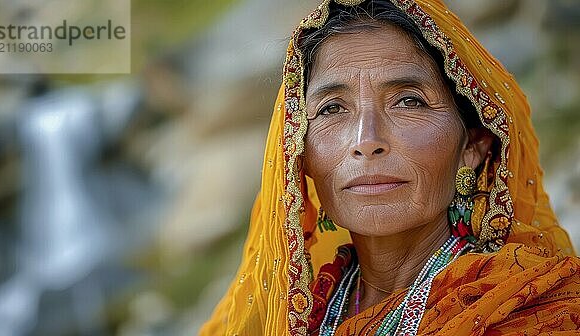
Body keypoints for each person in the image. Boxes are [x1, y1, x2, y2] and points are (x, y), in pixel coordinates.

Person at [200, 0, 580, 335]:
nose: (366, 140)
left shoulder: (529, 308)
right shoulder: (296, 314)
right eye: (332, 108)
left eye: (409, 102)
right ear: (298, 150)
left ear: (473, 144)